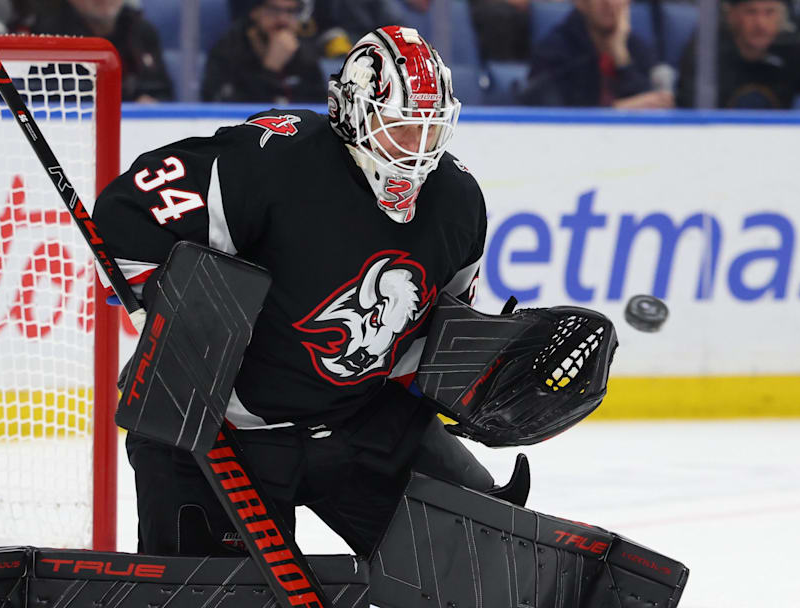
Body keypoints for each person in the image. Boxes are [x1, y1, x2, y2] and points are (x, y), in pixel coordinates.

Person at [95, 25, 504, 558]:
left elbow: (438, 327)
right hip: (222, 433)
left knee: (490, 559)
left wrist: (483, 382)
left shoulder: (457, 200)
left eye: (430, 132)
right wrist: (172, 308)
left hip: (357, 422)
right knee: (218, 597)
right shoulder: (274, 161)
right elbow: (128, 210)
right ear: (352, 114)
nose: (417, 151)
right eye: (400, 130)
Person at [676, 0, 800, 109]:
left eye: (770, 12)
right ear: (732, 15)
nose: (761, 24)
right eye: (751, 12)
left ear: (781, 16)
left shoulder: (798, 50)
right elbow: (688, 109)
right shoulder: (707, 48)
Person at [522, 0, 673, 108]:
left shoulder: (636, 47)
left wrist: (621, 57)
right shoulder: (555, 49)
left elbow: (651, 104)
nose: (609, 3)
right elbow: (549, 111)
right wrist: (615, 111)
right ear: (580, 3)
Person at [30, 0, 173, 102]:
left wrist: (150, 101)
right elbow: (43, 95)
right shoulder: (49, 36)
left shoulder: (141, 31)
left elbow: (163, 90)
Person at [201, 0, 325, 103]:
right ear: (255, 11)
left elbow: (318, 106)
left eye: (290, 11)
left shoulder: (304, 52)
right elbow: (220, 107)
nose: (282, 19)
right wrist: (270, 70)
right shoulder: (229, 49)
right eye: (273, 10)